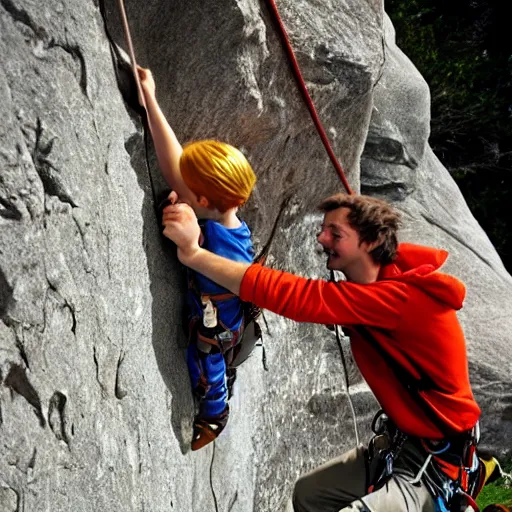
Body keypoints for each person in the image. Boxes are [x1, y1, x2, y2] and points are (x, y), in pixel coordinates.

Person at [161, 192, 484, 511]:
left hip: (436, 467)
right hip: (404, 445)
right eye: (324, 228)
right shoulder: (381, 283)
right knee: (310, 495)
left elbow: (299, 297)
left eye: (335, 233)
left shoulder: (400, 299)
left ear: (370, 243)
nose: (321, 237)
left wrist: (194, 254)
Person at [137, 68, 257, 451]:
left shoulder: (227, 251)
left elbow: (179, 182)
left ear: (203, 201)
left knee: (206, 366)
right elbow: (177, 169)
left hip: (216, 330)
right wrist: (151, 102)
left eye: (190, 190)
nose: (179, 187)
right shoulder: (226, 210)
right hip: (211, 305)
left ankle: (215, 415)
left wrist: (190, 241)